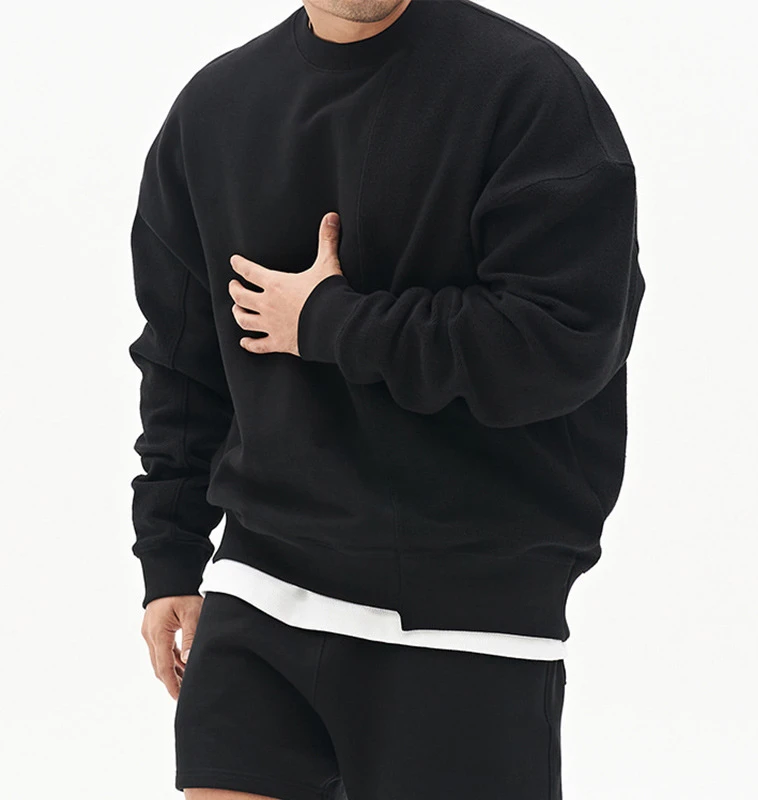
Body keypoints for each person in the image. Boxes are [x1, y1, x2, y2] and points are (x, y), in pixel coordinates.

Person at [128, 1, 645, 798]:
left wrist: (331, 323)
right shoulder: (216, 108)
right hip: (260, 589)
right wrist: (170, 557)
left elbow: (562, 340)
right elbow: (181, 361)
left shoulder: (526, 91)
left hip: (465, 614)